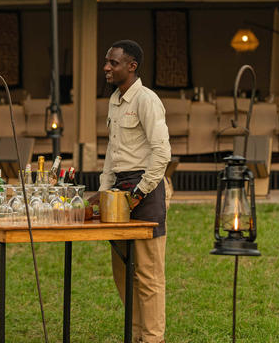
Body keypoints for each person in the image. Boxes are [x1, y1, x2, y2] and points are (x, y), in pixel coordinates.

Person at [94, 39, 170, 343]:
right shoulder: (115, 100)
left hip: (145, 188)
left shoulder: (147, 100)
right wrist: (104, 191)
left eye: (113, 63)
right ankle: (137, 335)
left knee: (148, 273)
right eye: (107, 62)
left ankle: (153, 339)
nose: (106, 68)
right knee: (123, 271)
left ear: (132, 66)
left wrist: (141, 191)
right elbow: (112, 152)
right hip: (118, 191)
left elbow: (162, 151)